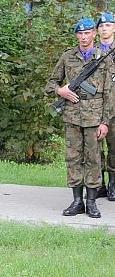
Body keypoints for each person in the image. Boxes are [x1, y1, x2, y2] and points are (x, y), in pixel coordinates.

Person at [45, 17, 111, 218]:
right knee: (73, 159)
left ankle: (91, 202)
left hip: (94, 117)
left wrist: (105, 121)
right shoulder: (67, 57)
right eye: (80, 33)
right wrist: (60, 91)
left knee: (94, 159)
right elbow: (50, 84)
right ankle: (76, 201)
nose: (83, 37)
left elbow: (110, 92)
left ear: (94, 34)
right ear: (76, 35)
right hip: (72, 117)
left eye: (87, 33)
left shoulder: (105, 57)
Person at [95, 12, 115, 200]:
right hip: (95, 105)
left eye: (108, 25)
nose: (104, 28)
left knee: (114, 146)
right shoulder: (92, 50)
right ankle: (99, 184)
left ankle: (113, 185)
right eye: (101, 26)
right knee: (96, 146)